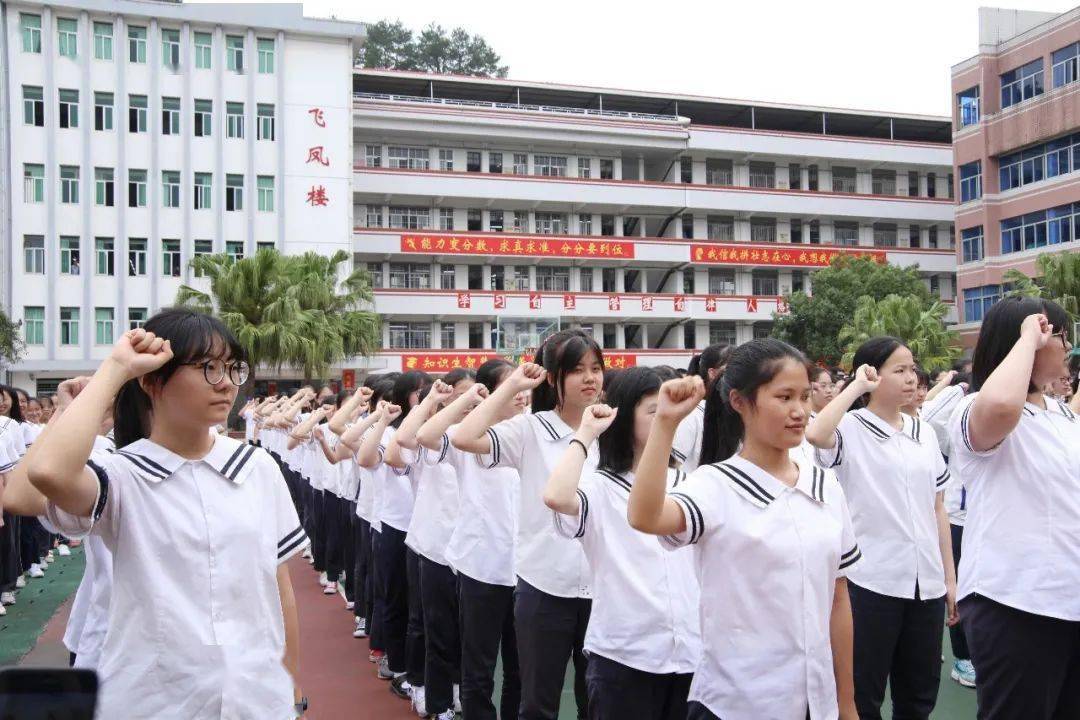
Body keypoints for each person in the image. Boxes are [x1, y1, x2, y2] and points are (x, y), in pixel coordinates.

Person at [26, 309, 308, 719]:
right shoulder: (121, 476)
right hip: (153, 700)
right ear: (153, 380)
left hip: (253, 701)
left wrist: (290, 684)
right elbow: (47, 472)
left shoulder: (256, 467)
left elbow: (279, 587)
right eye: (208, 367)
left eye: (233, 368)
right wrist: (116, 368)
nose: (227, 382)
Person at [626, 339, 859, 720]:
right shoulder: (714, 485)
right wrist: (666, 422)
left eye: (803, 396)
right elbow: (645, 516)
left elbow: (838, 598)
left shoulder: (825, 486)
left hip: (815, 703)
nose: (799, 411)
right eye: (783, 397)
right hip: (735, 702)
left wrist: (846, 703)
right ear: (738, 401)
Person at [453, 329, 604, 720]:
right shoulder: (530, 429)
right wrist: (514, 385)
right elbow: (467, 437)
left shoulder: (610, 428)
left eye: (596, 368)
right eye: (577, 370)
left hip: (603, 588)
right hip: (544, 585)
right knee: (538, 702)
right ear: (553, 378)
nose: (590, 378)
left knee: (597, 700)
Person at [806, 337, 958, 720]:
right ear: (873, 374)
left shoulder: (922, 431)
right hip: (870, 583)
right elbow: (816, 435)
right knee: (864, 691)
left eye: (912, 369)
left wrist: (950, 580)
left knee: (919, 693)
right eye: (900, 370)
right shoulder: (852, 427)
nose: (912, 379)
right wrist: (856, 387)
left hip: (927, 585)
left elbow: (937, 507)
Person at [948, 298, 1080, 719]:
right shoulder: (976, 408)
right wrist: (1027, 336)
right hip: (1016, 602)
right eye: (1061, 336)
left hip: (1068, 599)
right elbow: (1002, 407)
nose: (1068, 347)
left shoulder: (1060, 414)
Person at [544, 366, 700, 720]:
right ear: (625, 416)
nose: (667, 419)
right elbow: (555, 496)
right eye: (654, 411)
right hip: (625, 655)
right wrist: (585, 434)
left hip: (691, 652)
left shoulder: (689, 482)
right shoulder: (600, 487)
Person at [415, 360, 525, 720]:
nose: (521, 394)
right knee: (478, 670)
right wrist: (466, 401)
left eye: (525, 386)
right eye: (512, 387)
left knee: (520, 671)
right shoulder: (467, 436)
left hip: (525, 572)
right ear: (491, 393)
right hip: (481, 568)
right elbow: (425, 437)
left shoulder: (532, 432)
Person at [672, 344, 731, 473]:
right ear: (713, 373)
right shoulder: (691, 414)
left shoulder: (738, 411)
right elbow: (671, 467)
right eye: (733, 368)